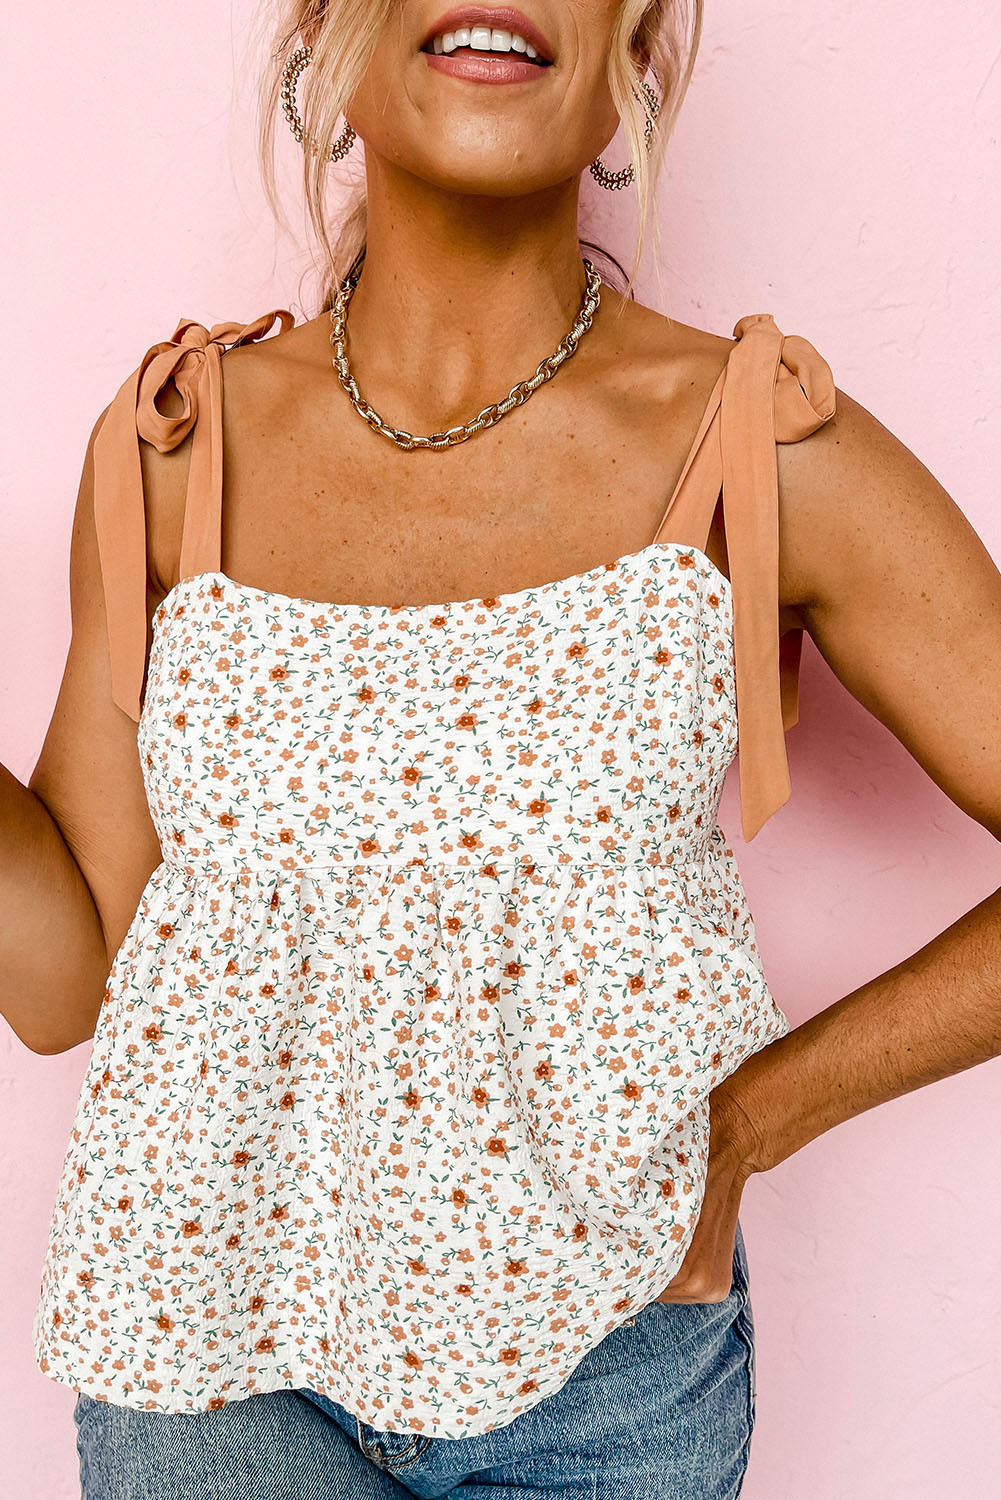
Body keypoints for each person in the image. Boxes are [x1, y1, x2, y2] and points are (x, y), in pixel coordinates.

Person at [10, 3, 1001, 1497]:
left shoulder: (758, 446)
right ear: (329, 42)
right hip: (207, 1369)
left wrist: (745, 1127)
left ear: (631, 64)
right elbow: (66, 983)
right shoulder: (171, 445)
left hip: (605, 1379)